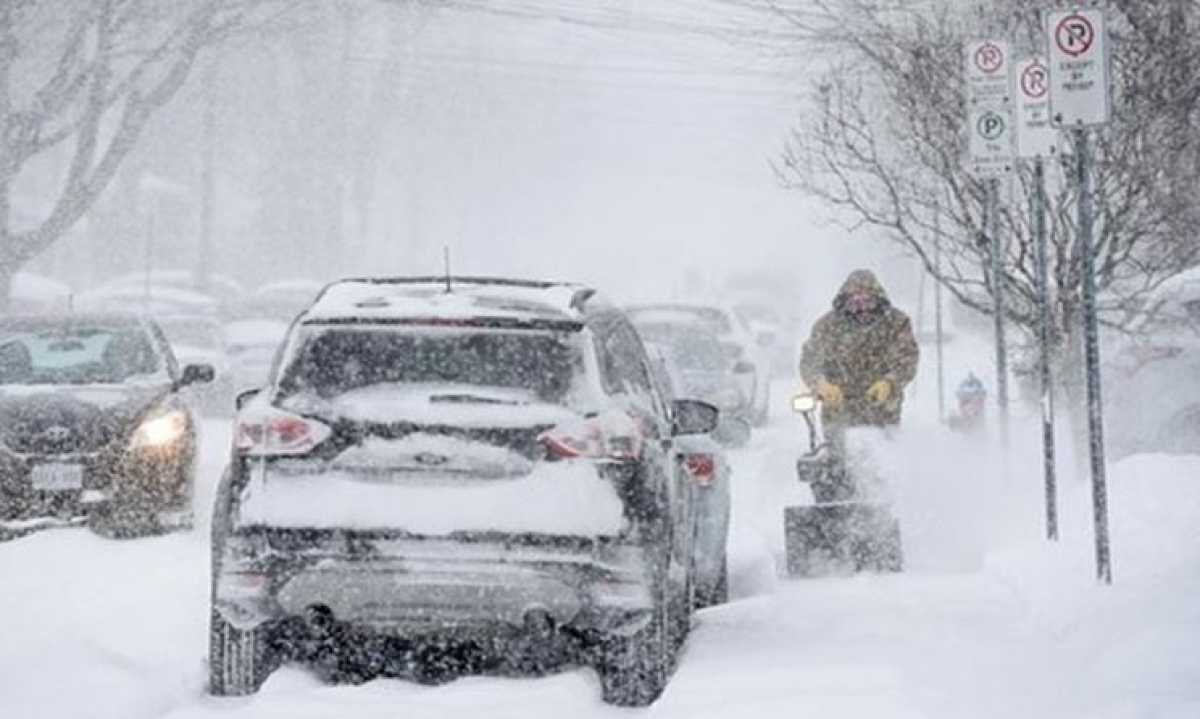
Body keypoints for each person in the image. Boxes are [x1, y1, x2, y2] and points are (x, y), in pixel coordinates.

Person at [799, 269, 919, 429]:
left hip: (882, 407)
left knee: (884, 450)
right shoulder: (827, 326)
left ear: (878, 299)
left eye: (867, 301)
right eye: (855, 303)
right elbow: (809, 360)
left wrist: (889, 382)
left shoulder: (896, 323)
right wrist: (821, 384)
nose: (862, 309)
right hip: (837, 407)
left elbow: (907, 358)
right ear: (845, 301)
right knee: (838, 451)